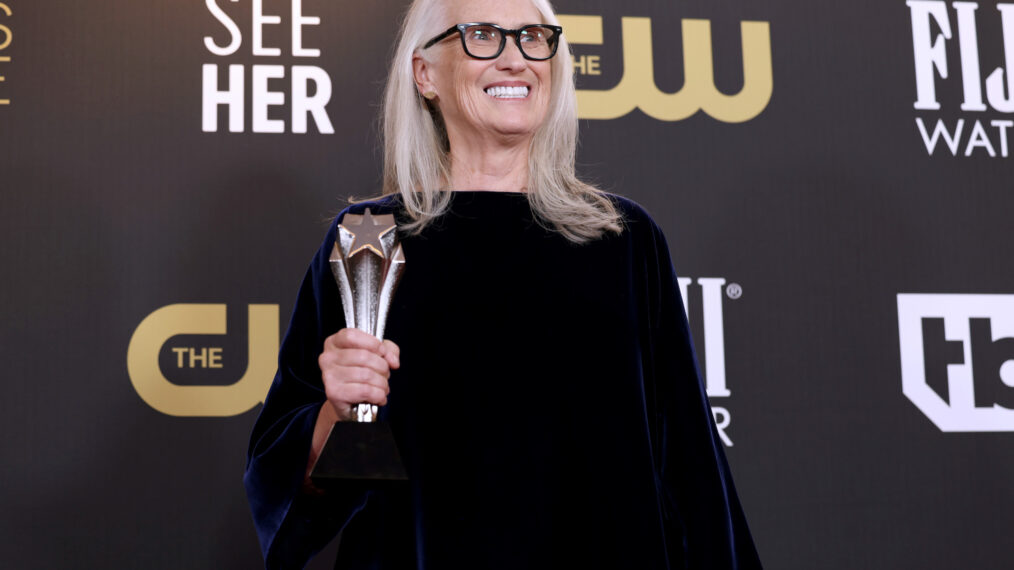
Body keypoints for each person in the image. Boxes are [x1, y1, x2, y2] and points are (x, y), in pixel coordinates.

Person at [244, 0, 762, 568]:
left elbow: (690, 469)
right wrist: (337, 418)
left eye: (534, 37)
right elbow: (296, 484)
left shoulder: (624, 240)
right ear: (424, 73)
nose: (515, 58)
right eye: (483, 35)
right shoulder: (370, 238)